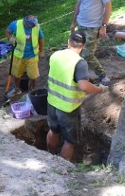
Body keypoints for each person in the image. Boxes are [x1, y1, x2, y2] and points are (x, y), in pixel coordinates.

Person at [46, 31, 107, 161]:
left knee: (54, 131)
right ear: (83, 46)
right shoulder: (80, 63)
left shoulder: (55, 55)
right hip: (68, 108)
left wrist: (82, 78)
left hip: (52, 102)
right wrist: (99, 90)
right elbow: (84, 86)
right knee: (70, 141)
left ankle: (49, 156)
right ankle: (62, 165)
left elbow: (62, 74)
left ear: (68, 42)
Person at [70, 0, 112, 85]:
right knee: (77, 51)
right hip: (81, 24)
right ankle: (81, 77)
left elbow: (108, 7)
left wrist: (104, 26)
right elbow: (78, 4)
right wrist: (73, 22)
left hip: (93, 26)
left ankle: (103, 76)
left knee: (87, 53)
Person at [5, 15, 45, 93]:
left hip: (32, 55)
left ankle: (32, 90)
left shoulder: (36, 26)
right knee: (17, 75)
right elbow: (7, 31)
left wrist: (41, 50)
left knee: (33, 76)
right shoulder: (15, 24)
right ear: (25, 23)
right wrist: (10, 38)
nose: (33, 27)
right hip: (19, 56)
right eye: (31, 26)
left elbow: (41, 38)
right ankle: (17, 89)